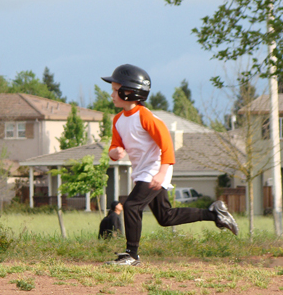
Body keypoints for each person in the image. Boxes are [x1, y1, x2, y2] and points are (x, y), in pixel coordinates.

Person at [102, 64, 238, 266]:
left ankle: (131, 254)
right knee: (165, 217)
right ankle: (214, 213)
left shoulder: (145, 116)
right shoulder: (118, 120)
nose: (112, 94)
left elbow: (166, 144)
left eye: (115, 90)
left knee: (131, 205)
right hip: (142, 172)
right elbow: (114, 146)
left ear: (130, 92)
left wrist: (162, 173)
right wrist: (115, 152)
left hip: (156, 169)